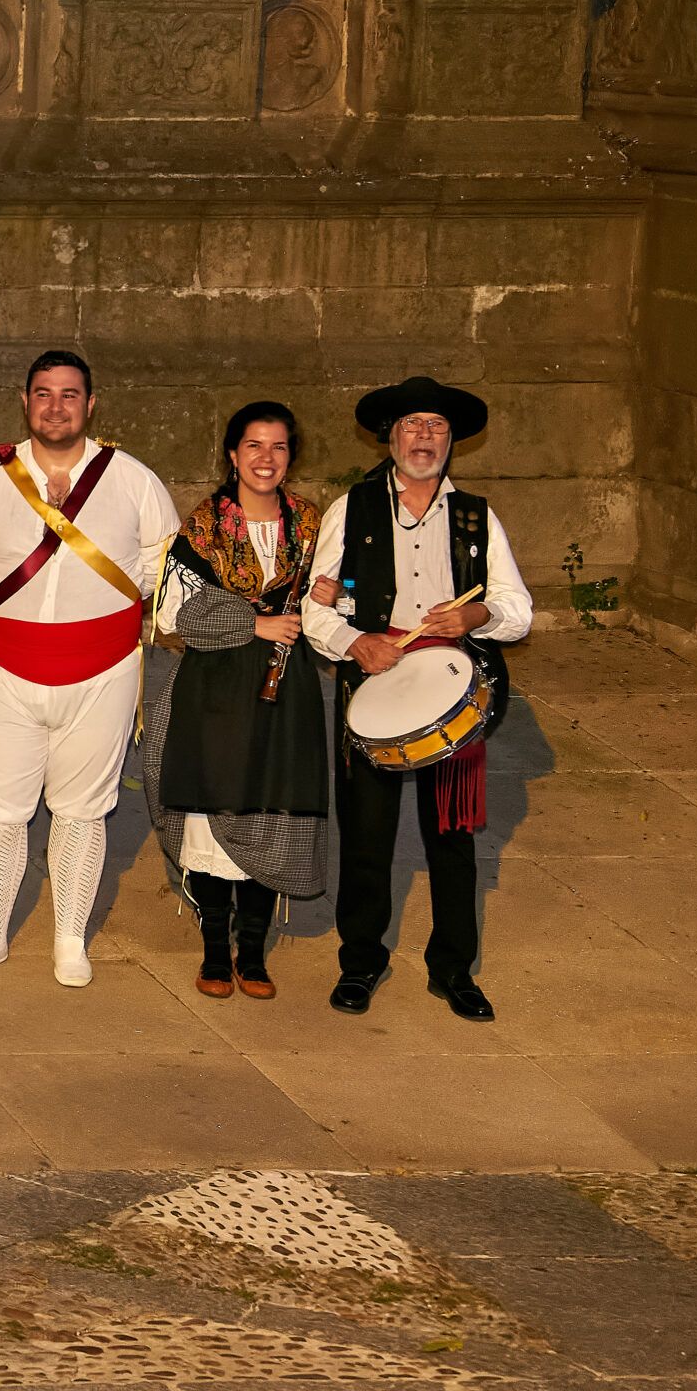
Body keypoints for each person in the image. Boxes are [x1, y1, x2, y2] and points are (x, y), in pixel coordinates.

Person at [0, 349, 178, 988]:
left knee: (82, 809)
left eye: (70, 394)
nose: (56, 406)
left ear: (90, 404)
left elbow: (159, 567)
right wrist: (8, 616)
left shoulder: (132, 479)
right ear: (24, 401)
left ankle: (70, 939)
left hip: (102, 670)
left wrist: (94, 614)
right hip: (6, 668)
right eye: (43, 393)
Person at [304, 376, 532, 1022]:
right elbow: (317, 611)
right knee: (367, 837)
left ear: (452, 439)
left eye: (436, 426)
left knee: (453, 841)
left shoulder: (475, 517)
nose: (424, 438)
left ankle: (454, 969)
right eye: (412, 426)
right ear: (390, 437)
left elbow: (518, 611)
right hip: (375, 686)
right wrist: (355, 642)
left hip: (454, 696)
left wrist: (477, 613)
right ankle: (361, 962)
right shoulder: (353, 509)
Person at [138, 402, 329, 1001]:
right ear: (232, 454)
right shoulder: (204, 527)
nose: (265, 458)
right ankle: (215, 952)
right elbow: (173, 614)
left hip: (284, 689)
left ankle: (253, 952)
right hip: (216, 689)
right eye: (253, 446)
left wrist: (329, 595)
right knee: (212, 811)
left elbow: (338, 610)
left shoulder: (312, 525)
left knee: (271, 809)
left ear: (290, 456)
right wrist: (255, 624)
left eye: (277, 447)